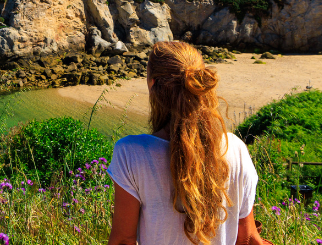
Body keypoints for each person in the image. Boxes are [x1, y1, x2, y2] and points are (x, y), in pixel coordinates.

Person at [107, 41, 266, 245]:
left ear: (152, 85)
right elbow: (247, 238)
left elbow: (123, 240)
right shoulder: (235, 148)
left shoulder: (131, 153)